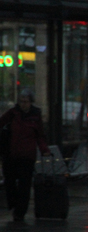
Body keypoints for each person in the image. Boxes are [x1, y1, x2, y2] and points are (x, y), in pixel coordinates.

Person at [0, 89, 51, 222]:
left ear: (30, 102)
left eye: (26, 102)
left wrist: (44, 149)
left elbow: (40, 135)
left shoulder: (35, 116)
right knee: (9, 181)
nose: (23, 104)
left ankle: (19, 212)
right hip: (11, 153)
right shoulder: (13, 113)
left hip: (27, 155)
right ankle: (14, 204)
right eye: (21, 102)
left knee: (24, 184)